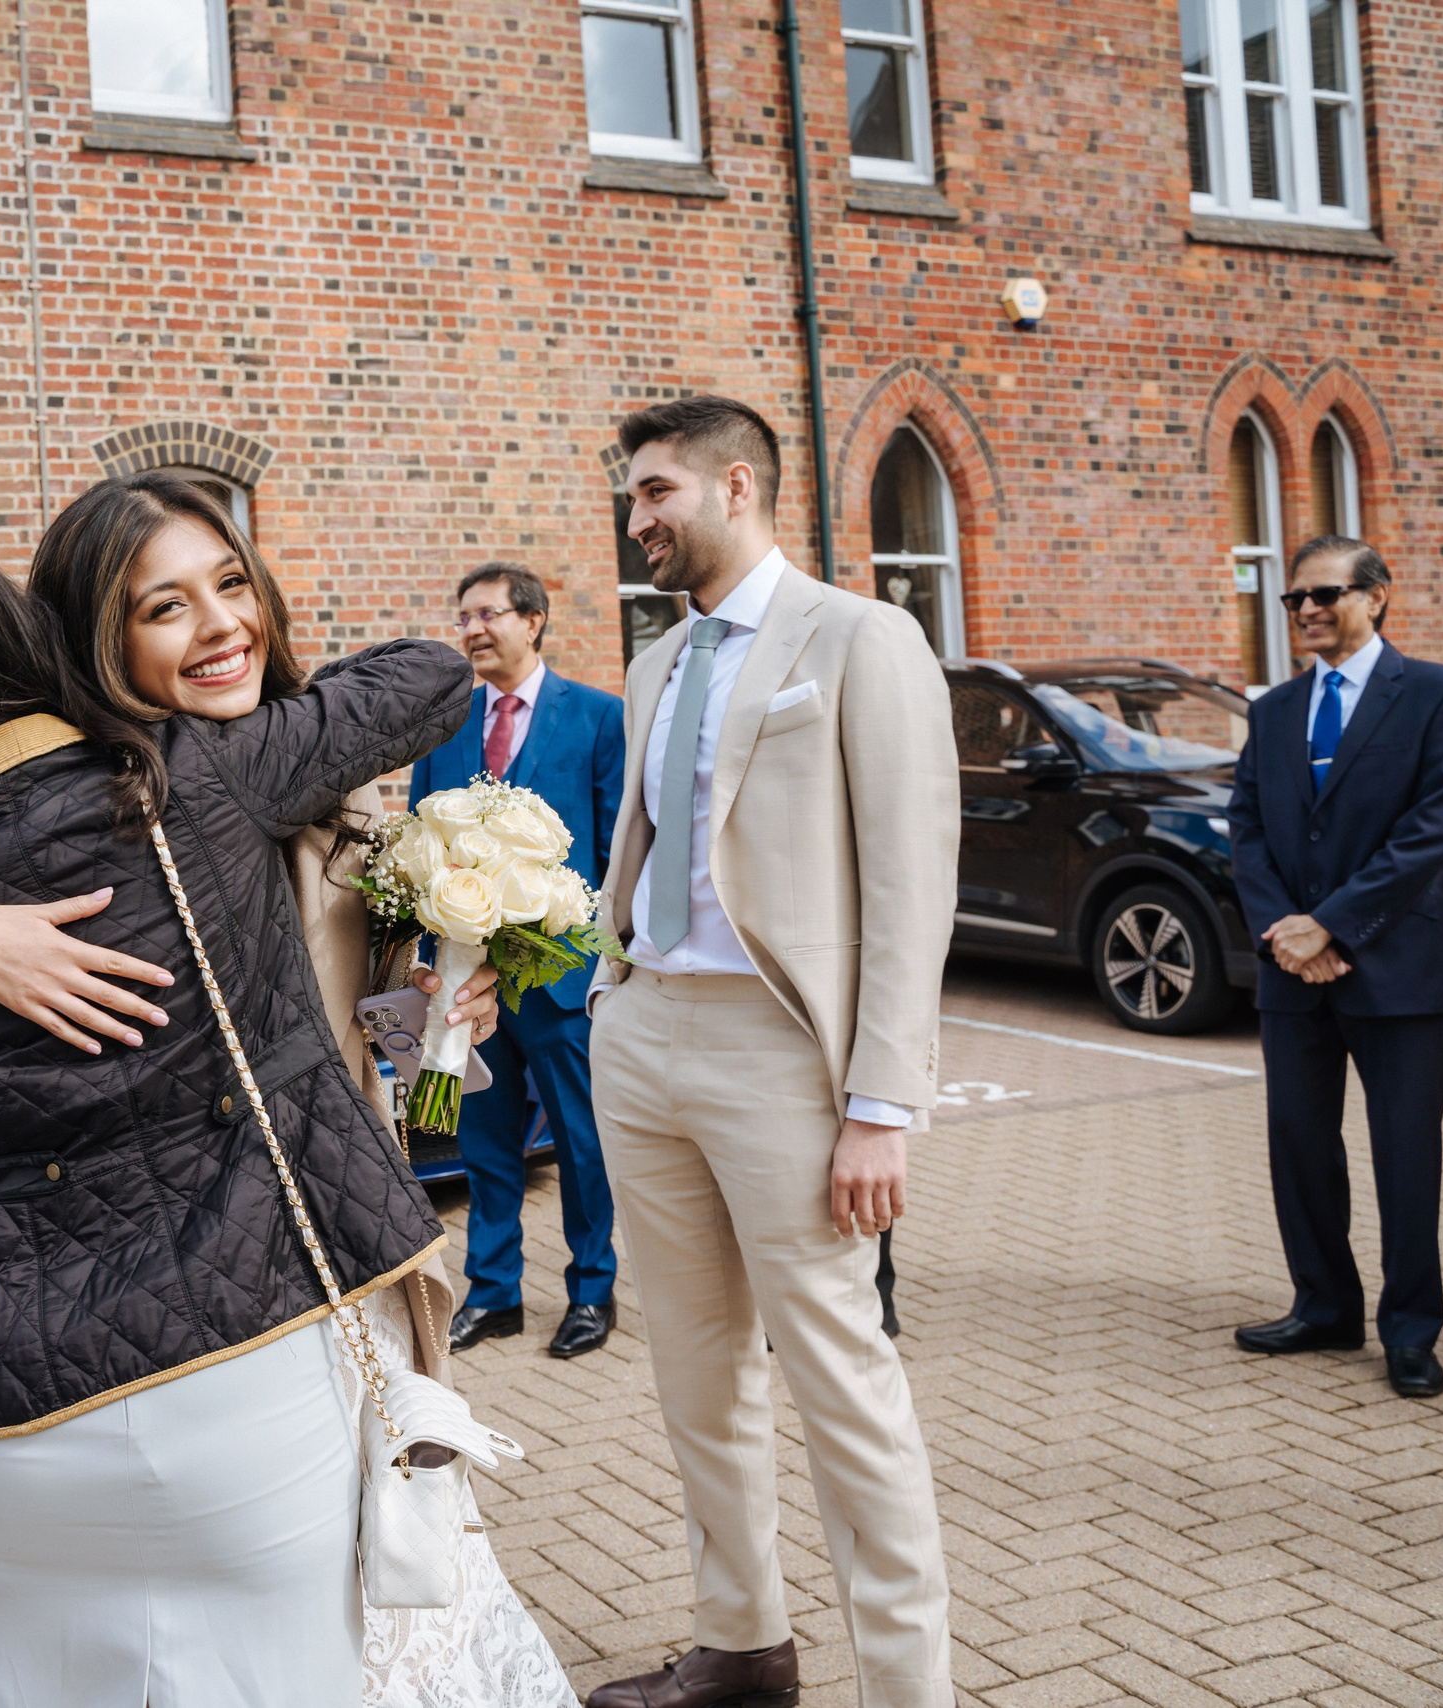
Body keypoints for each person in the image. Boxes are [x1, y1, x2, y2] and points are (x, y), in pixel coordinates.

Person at [0, 476, 576, 1708]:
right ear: (75, 646)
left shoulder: (264, 768)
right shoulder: (194, 773)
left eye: (230, 584)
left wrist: (424, 991)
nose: (219, 624)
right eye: (163, 606)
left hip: (28, 1368)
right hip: (260, 1317)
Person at [585, 396, 959, 1708]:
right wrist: (602, 985)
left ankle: (906, 1690)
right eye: (633, 496)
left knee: (842, 1385)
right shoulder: (654, 664)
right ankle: (741, 1645)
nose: (636, 518)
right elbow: (646, 850)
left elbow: (911, 884)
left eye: (655, 492)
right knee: (697, 1374)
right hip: (643, 1038)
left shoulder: (858, 638)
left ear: (736, 485)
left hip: (782, 1056)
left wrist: (881, 1105)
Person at [1226, 537, 1443, 1401]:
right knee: (1299, 1145)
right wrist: (1284, 933)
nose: (1306, 610)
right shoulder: (1273, 710)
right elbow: (1248, 828)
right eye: (1295, 598)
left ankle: (1410, 1330)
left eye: (1324, 594)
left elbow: (1432, 828)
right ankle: (1324, 1306)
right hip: (1290, 971)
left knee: (1405, 1155)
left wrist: (1330, 925)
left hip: (1395, 966)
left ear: (1376, 596)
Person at [409, 562, 625, 1358]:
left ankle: (592, 1290)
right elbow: (420, 843)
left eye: (487, 614)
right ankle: (493, 1292)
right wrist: (429, 963)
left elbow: (616, 855)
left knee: (581, 1144)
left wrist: (605, 966)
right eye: (462, 616)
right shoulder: (445, 725)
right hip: (467, 984)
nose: (471, 629)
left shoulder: (600, 718)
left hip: (561, 981)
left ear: (533, 621)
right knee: (484, 1143)